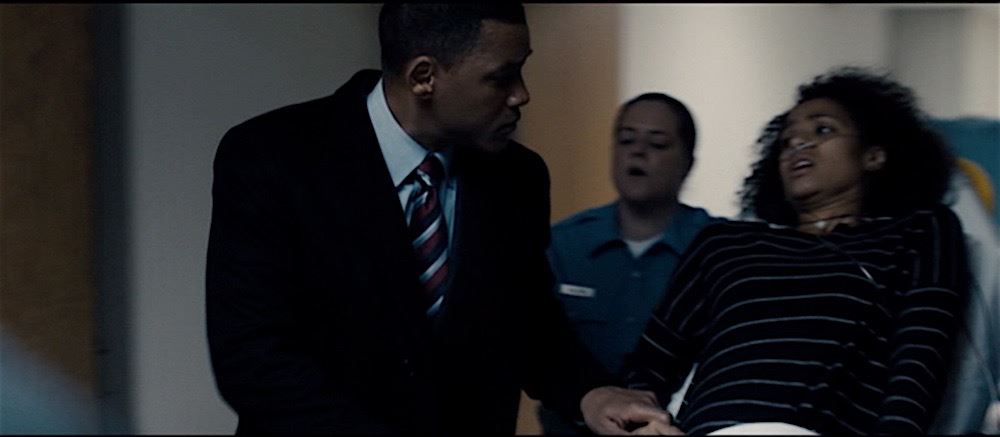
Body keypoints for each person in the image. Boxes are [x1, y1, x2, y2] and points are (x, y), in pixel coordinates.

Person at [205, 4, 633, 434]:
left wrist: (592, 393)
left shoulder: (518, 177)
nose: (521, 95)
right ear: (424, 77)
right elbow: (253, 357)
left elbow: (530, 323)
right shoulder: (271, 159)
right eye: (502, 77)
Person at [581, 67, 970, 435]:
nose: (797, 143)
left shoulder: (919, 232)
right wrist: (640, 425)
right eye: (787, 139)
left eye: (823, 129)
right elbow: (651, 366)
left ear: (874, 155)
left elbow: (918, 363)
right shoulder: (724, 243)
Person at [537, 93, 717, 434]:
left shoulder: (716, 248)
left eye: (657, 143)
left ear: (688, 161)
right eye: (626, 140)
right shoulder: (563, 244)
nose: (638, 152)